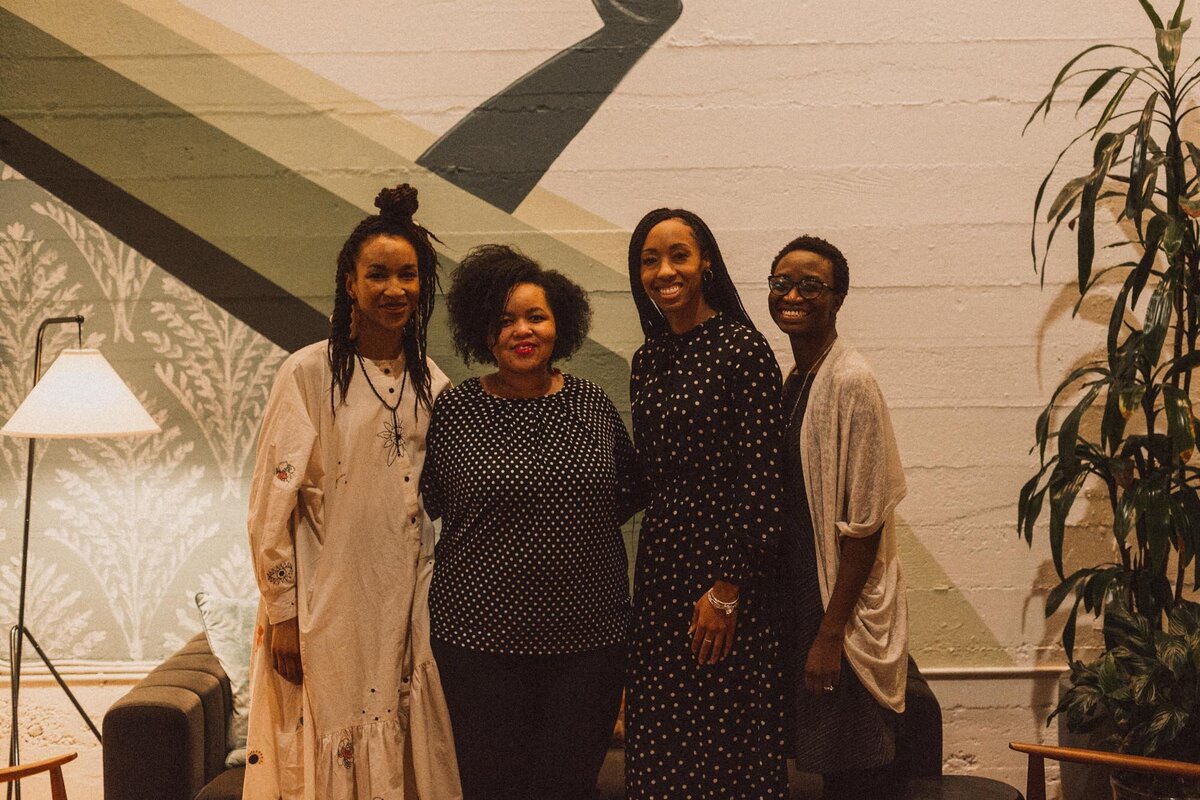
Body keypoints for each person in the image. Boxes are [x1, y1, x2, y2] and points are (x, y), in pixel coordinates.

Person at [243, 184, 460, 799]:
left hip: (404, 596)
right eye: (379, 275)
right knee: (334, 736)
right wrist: (283, 615)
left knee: (399, 728)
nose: (395, 290)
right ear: (349, 283)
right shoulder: (309, 373)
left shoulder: (432, 384)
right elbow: (270, 505)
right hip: (327, 600)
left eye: (409, 276)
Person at [420, 244, 643, 800]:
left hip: (589, 645)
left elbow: (626, 493)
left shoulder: (592, 403)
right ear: (482, 332)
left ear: (558, 323)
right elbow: (430, 504)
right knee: (490, 786)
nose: (522, 331)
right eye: (504, 320)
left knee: (568, 785)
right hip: (477, 645)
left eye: (535, 316)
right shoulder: (455, 410)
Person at [625, 208, 789, 799]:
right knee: (662, 748)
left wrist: (727, 588)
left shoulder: (743, 349)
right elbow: (649, 476)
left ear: (707, 264)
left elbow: (763, 484)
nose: (663, 271)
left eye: (678, 256)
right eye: (650, 259)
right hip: (662, 573)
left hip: (726, 583)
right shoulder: (648, 360)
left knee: (728, 754)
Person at [767, 235, 908, 800]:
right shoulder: (799, 377)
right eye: (782, 283)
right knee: (826, 763)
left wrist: (830, 633)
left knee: (856, 768)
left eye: (811, 285)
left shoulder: (851, 381)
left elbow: (865, 524)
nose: (793, 294)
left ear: (838, 297)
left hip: (840, 613)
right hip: (807, 596)